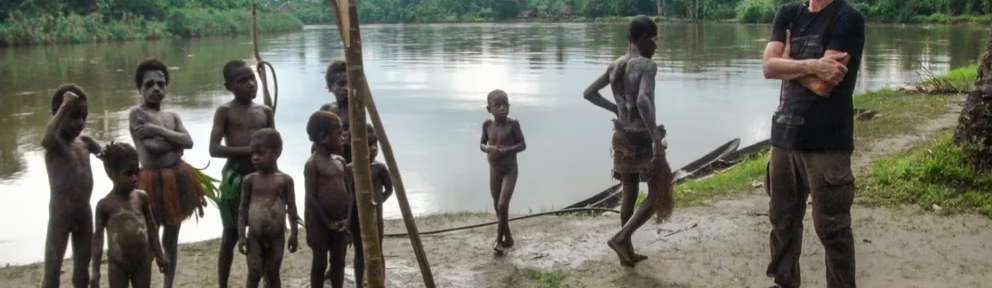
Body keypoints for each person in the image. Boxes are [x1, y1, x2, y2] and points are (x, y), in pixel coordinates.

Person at [760, 0, 864, 287]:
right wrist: (812, 65)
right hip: (783, 139)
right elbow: (768, 67)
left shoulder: (848, 18)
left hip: (827, 143)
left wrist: (789, 65)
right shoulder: (789, 13)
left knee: (833, 229)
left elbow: (824, 84)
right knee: (782, 223)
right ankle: (784, 283)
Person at [582, 15, 674, 267]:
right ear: (644, 38)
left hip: (621, 138)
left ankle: (627, 253)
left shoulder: (615, 65)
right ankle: (622, 239)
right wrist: (655, 137)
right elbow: (644, 101)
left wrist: (616, 110)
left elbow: (589, 93)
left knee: (629, 195)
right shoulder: (646, 66)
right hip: (641, 139)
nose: (656, 46)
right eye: (655, 40)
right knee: (657, 196)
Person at [127, 58, 204, 288]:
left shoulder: (172, 116)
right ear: (139, 88)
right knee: (150, 239)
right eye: (149, 84)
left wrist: (157, 130)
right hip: (150, 180)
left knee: (172, 237)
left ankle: (167, 285)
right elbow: (153, 148)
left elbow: (189, 142)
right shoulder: (136, 114)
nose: (156, 89)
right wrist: (174, 142)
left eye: (160, 84)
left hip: (176, 178)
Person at [209, 60, 275, 288]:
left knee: (264, 232)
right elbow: (214, 149)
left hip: (262, 180)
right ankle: (222, 284)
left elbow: (274, 146)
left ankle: (267, 279)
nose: (250, 84)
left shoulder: (265, 111)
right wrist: (251, 150)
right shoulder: (225, 111)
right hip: (235, 178)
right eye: (242, 81)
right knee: (230, 235)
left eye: (252, 79)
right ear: (229, 87)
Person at [41, 84, 103, 288]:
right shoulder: (55, 143)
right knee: (53, 268)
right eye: (74, 116)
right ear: (58, 115)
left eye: (84, 117)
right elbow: (45, 139)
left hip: (84, 211)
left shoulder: (85, 142)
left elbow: (109, 155)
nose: (81, 122)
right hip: (61, 213)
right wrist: (64, 105)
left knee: (82, 266)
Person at [90, 142, 168, 288]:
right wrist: (95, 271)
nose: (134, 178)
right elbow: (98, 240)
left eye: (136, 172)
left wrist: (159, 255)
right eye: (128, 173)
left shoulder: (142, 198)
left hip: (143, 261)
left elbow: (152, 228)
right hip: (118, 264)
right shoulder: (105, 205)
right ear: (111, 174)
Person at [237, 128, 299, 288]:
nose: (255, 158)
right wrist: (241, 236)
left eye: (261, 153)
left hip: (277, 237)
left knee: (273, 273)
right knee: (254, 273)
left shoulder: (285, 180)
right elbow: (242, 210)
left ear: (276, 153)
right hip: (254, 237)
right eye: (252, 154)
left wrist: (294, 234)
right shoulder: (249, 180)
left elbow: (292, 209)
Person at [305, 111, 352, 288]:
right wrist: (326, 222)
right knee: (320, 263)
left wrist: (347, 219)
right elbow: (310, 198)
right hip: (320, 224)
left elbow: (350, 193)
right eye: (339, 134)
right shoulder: (313, 164)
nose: (343, 138)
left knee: (339, 262)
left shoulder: (340, 161)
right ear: (324, 137)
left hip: (341, 221)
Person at [479, 89, 526, 255]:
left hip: (510, 170)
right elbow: (482, 145)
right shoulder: (487, 125)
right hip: (494, 170)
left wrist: (505, 150)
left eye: (505, 104)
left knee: (503, 204)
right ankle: (508, 236)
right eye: (497, 105)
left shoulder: (513, 125)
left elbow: (522, 145)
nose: (502, 108)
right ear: (489, 109)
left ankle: (498, 240)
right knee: (496, 204)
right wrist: (490, 148)